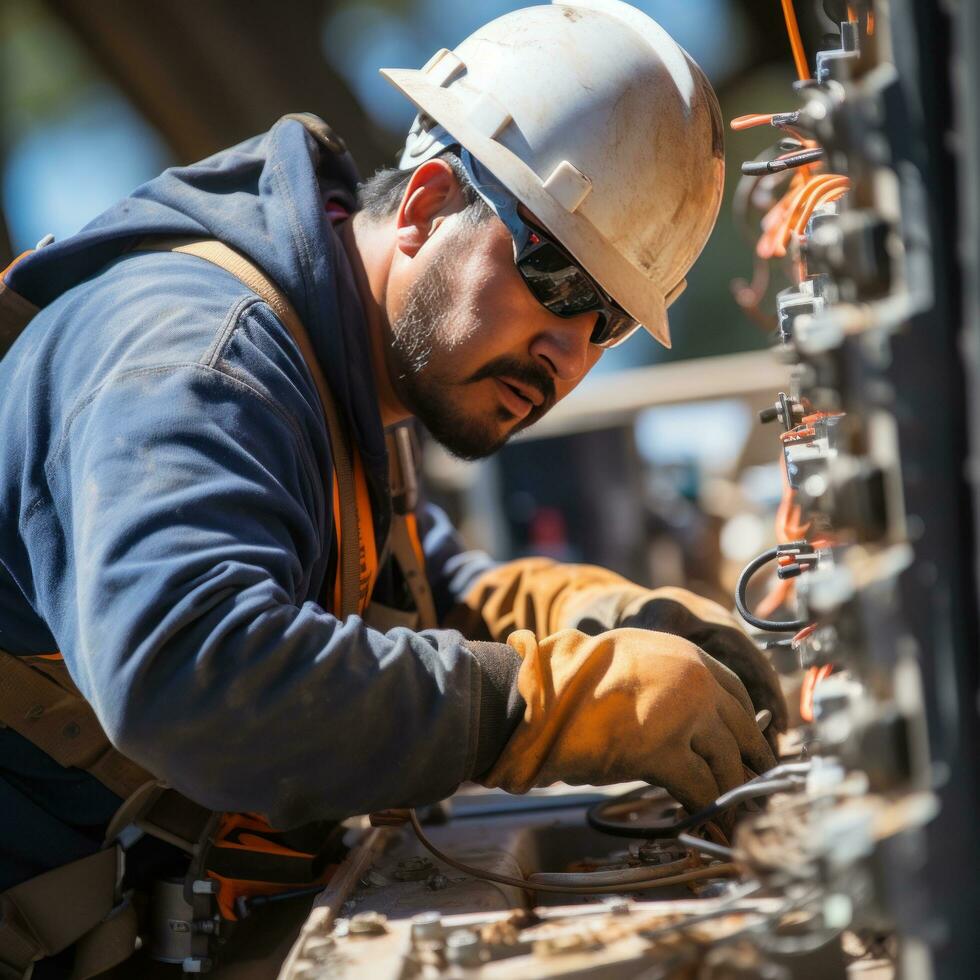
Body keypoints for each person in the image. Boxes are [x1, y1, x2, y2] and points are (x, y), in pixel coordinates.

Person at [0, 1, 785, 973]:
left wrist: (597, 613)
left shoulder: (346, 374)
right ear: (422, 206)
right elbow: (188, 670)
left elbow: (418, 592)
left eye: (608, 325)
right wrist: (543, 704)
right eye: (560, 282)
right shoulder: (201, 360)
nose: (567, 354)